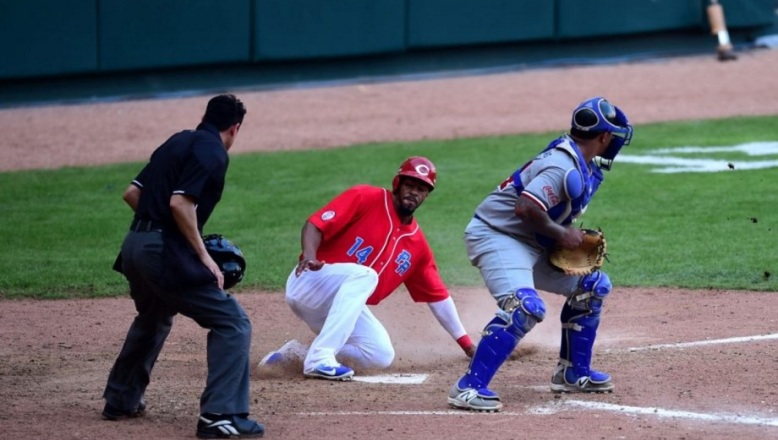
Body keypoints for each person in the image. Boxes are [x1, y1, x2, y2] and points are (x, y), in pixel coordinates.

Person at [447, 97, 633, 412]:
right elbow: (525, 207)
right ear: (603, 137)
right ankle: (468, 388)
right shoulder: (563, 166)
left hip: (528, 241)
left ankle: (573, 374)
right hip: (496, 235)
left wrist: (556, 235)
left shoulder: (580, 162)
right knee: (525, 306)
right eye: (613, 134)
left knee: (592, 286)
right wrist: (563, 234)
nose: (615, 140)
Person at [102, 94, 265, 438]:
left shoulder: (177, 141)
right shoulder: (213, 151)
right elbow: (180, 203)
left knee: (155, 315)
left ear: (205, 117)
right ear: (234, 128)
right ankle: (219, 415)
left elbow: (133, 194)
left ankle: (121, 399)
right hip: (160, 251)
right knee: (232, 322)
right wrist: (202, 256)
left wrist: (155, 231)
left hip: (134, 246)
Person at [260, 156, 475, 380]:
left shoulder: (417, 245)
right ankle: (320, 358)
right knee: (366, 274)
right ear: (397, 184)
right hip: (311, 282)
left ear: (427, 195)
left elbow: (438, 298)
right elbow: (314, 224)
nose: (414, 192)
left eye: (421, 188)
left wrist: (467, 345)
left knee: (380, 353)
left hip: (338, 308)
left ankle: (295, 355)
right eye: (410, 185)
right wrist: (310, 257)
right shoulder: (366, 197)